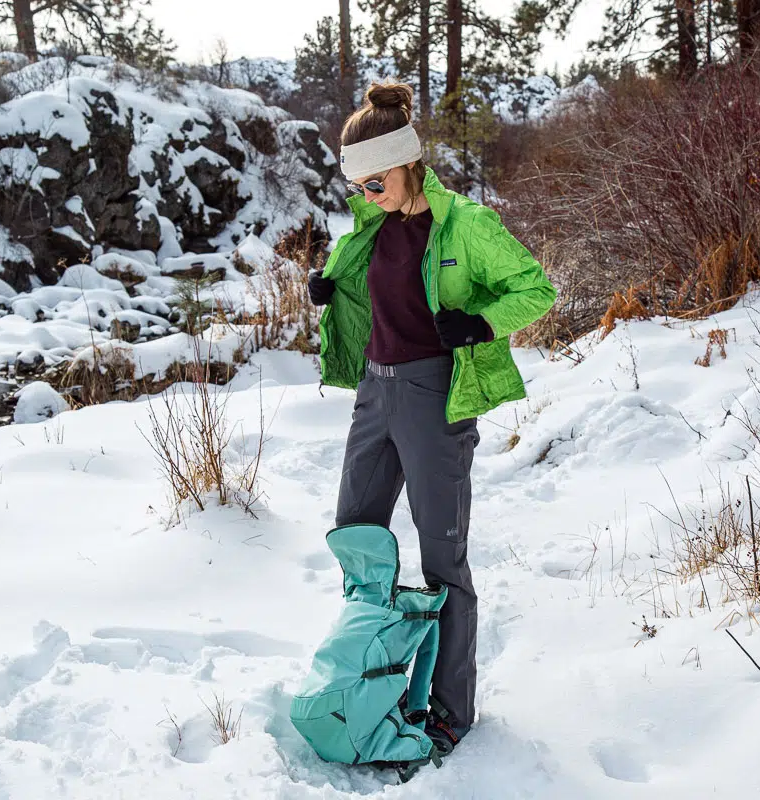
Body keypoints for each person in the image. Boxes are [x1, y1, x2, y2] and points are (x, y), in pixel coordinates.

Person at [309, 81, 557, 755]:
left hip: (432, 397)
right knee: (356, 537)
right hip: (374, 394)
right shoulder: (371, 224)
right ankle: (371, 684)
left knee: (442, 560)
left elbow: (536, 288)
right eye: (356, 184)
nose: (366, 193)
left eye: (375, 179)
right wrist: (328, 288)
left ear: (407, 161)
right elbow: (364, 277)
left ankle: (451, 710)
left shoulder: (465, 226)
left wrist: (479, 322)